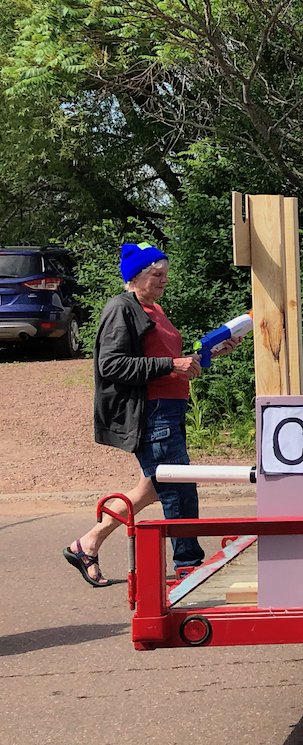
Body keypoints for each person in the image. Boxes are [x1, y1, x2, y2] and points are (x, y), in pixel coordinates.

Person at [67, 244, 239, 586]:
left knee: (153, 489)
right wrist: (172, 365)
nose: (163, 280)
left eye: (165, 274)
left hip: (170, 410)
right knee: (178, 489)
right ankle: (188, 565)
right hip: (152, 413)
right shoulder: (122, 308)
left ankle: (87, 543)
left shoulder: (153, 309)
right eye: (155, 274)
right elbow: (112, 365)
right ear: (135, 276)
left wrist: (205, 356)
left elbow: (166, 363)